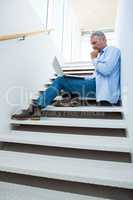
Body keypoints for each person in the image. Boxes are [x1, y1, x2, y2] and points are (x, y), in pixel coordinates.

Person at [11, 31, 121, 120]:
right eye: (91, 43)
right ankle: (70, 98)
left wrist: (93, 58)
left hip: (101, 89)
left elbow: (106, 70)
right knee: (65, 80)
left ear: (104, 39)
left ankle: (36, 108)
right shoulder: (101, 55)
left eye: (95, 43)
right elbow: (99, 74)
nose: (93, 46)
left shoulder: (112, 50)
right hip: (96, 85)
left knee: (60, 81)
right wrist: (78, 77)